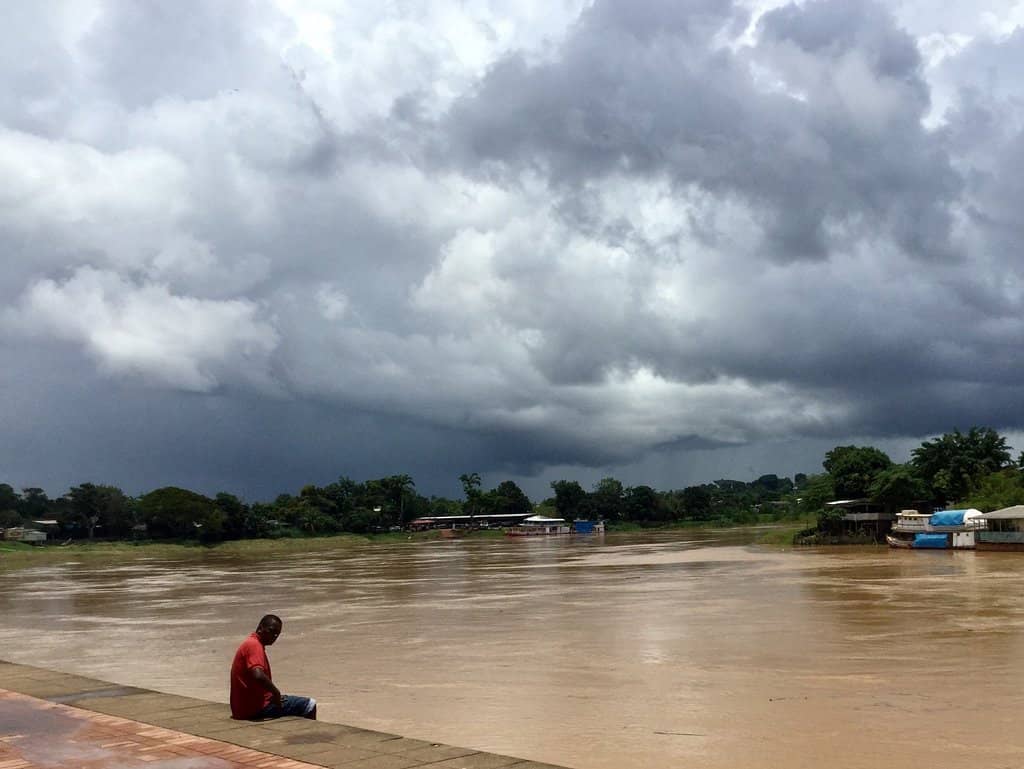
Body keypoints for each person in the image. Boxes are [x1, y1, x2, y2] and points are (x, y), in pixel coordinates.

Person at [230, 614, 317, 720]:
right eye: (272, 631)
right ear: (261, 628)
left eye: (277, 634)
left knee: (291, 703)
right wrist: (276, 693)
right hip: (255, 709)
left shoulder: (250, 642)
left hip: (242, 708)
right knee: (309, 705)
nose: (274, 636)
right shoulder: (254, 645)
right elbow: (258, 675)